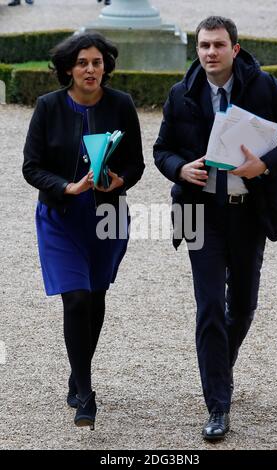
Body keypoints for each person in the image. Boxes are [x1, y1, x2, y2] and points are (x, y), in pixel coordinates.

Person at [153, 16, 277, 441]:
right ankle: (218, 404)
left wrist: (265, 163)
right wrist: (181, 168)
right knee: (211, 307)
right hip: (201, 214)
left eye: (218, 45)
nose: (210, 53)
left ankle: (220, 366)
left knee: (245, 304)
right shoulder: (181, 94)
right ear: (196, 49)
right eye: (203, 45)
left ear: (234, 49)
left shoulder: (266, 87)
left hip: (250, 212)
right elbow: (161, 151)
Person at [23, 32, 144, 430]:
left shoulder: (122, 104)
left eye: (96, 62)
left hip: (106, 217)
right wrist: (67, 186)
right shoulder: (48, 107)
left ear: (106, 65)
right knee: (74, 300)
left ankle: (78, 374)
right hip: (60, 217)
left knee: (94, 298)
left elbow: (137, 164)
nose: (90, 69)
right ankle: (86, 394)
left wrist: (118, 181)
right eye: (82, 63)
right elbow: (31, 167)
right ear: (68, 69)